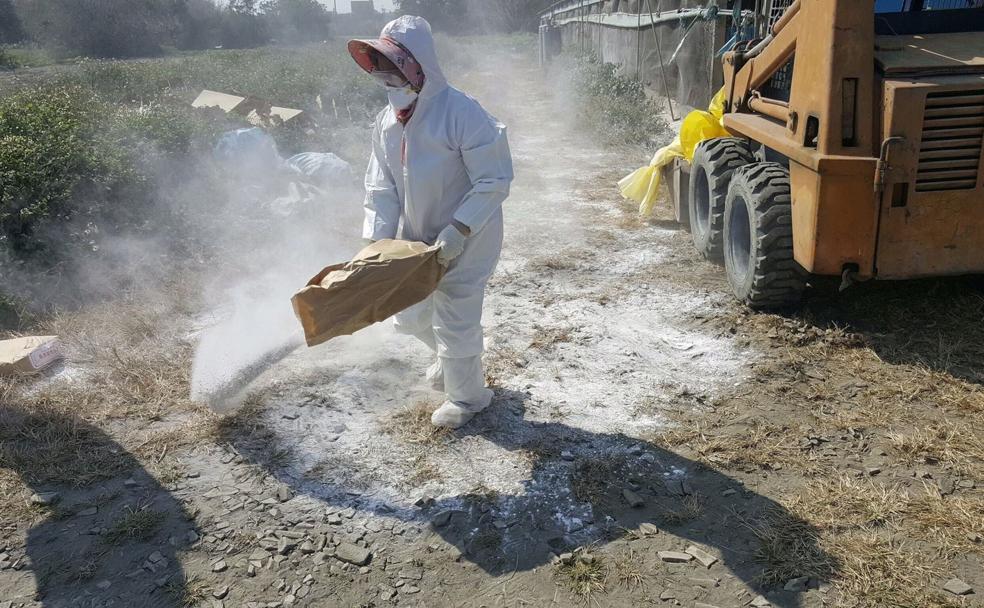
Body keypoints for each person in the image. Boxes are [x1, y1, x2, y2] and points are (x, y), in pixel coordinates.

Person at [348, 16, 513, 429]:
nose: (387, 76)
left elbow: (494, 179)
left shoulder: (461, 112)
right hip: (418, 236)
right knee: (411, 311)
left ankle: (469, 396)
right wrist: (376, 244)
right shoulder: (387, 123)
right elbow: (381, 187)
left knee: (455, 312)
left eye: (394, 66)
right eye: (380, 66)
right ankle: (452, 361)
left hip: (470, 235)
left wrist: (459, 230)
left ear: (418, 66)